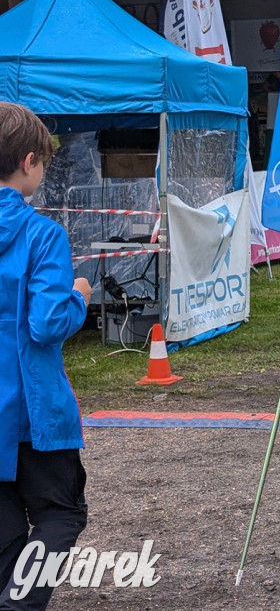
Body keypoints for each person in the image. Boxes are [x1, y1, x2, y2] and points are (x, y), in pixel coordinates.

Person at [0, 101, 92, 609]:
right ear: (30, 162)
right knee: (61, 513)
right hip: (34, 412)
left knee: (8, 522)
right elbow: (47, 323)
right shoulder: (42, 234)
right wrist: (78, 294)